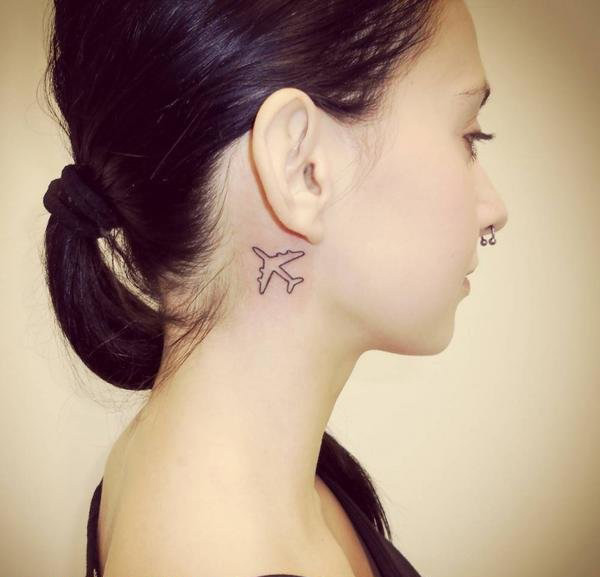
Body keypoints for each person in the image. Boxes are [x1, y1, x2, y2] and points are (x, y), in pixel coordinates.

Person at [41, 0, 508, 576]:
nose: (495, 210)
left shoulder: (174, 458)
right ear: (301, 167)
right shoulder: (220, 544)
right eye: (469, 135)